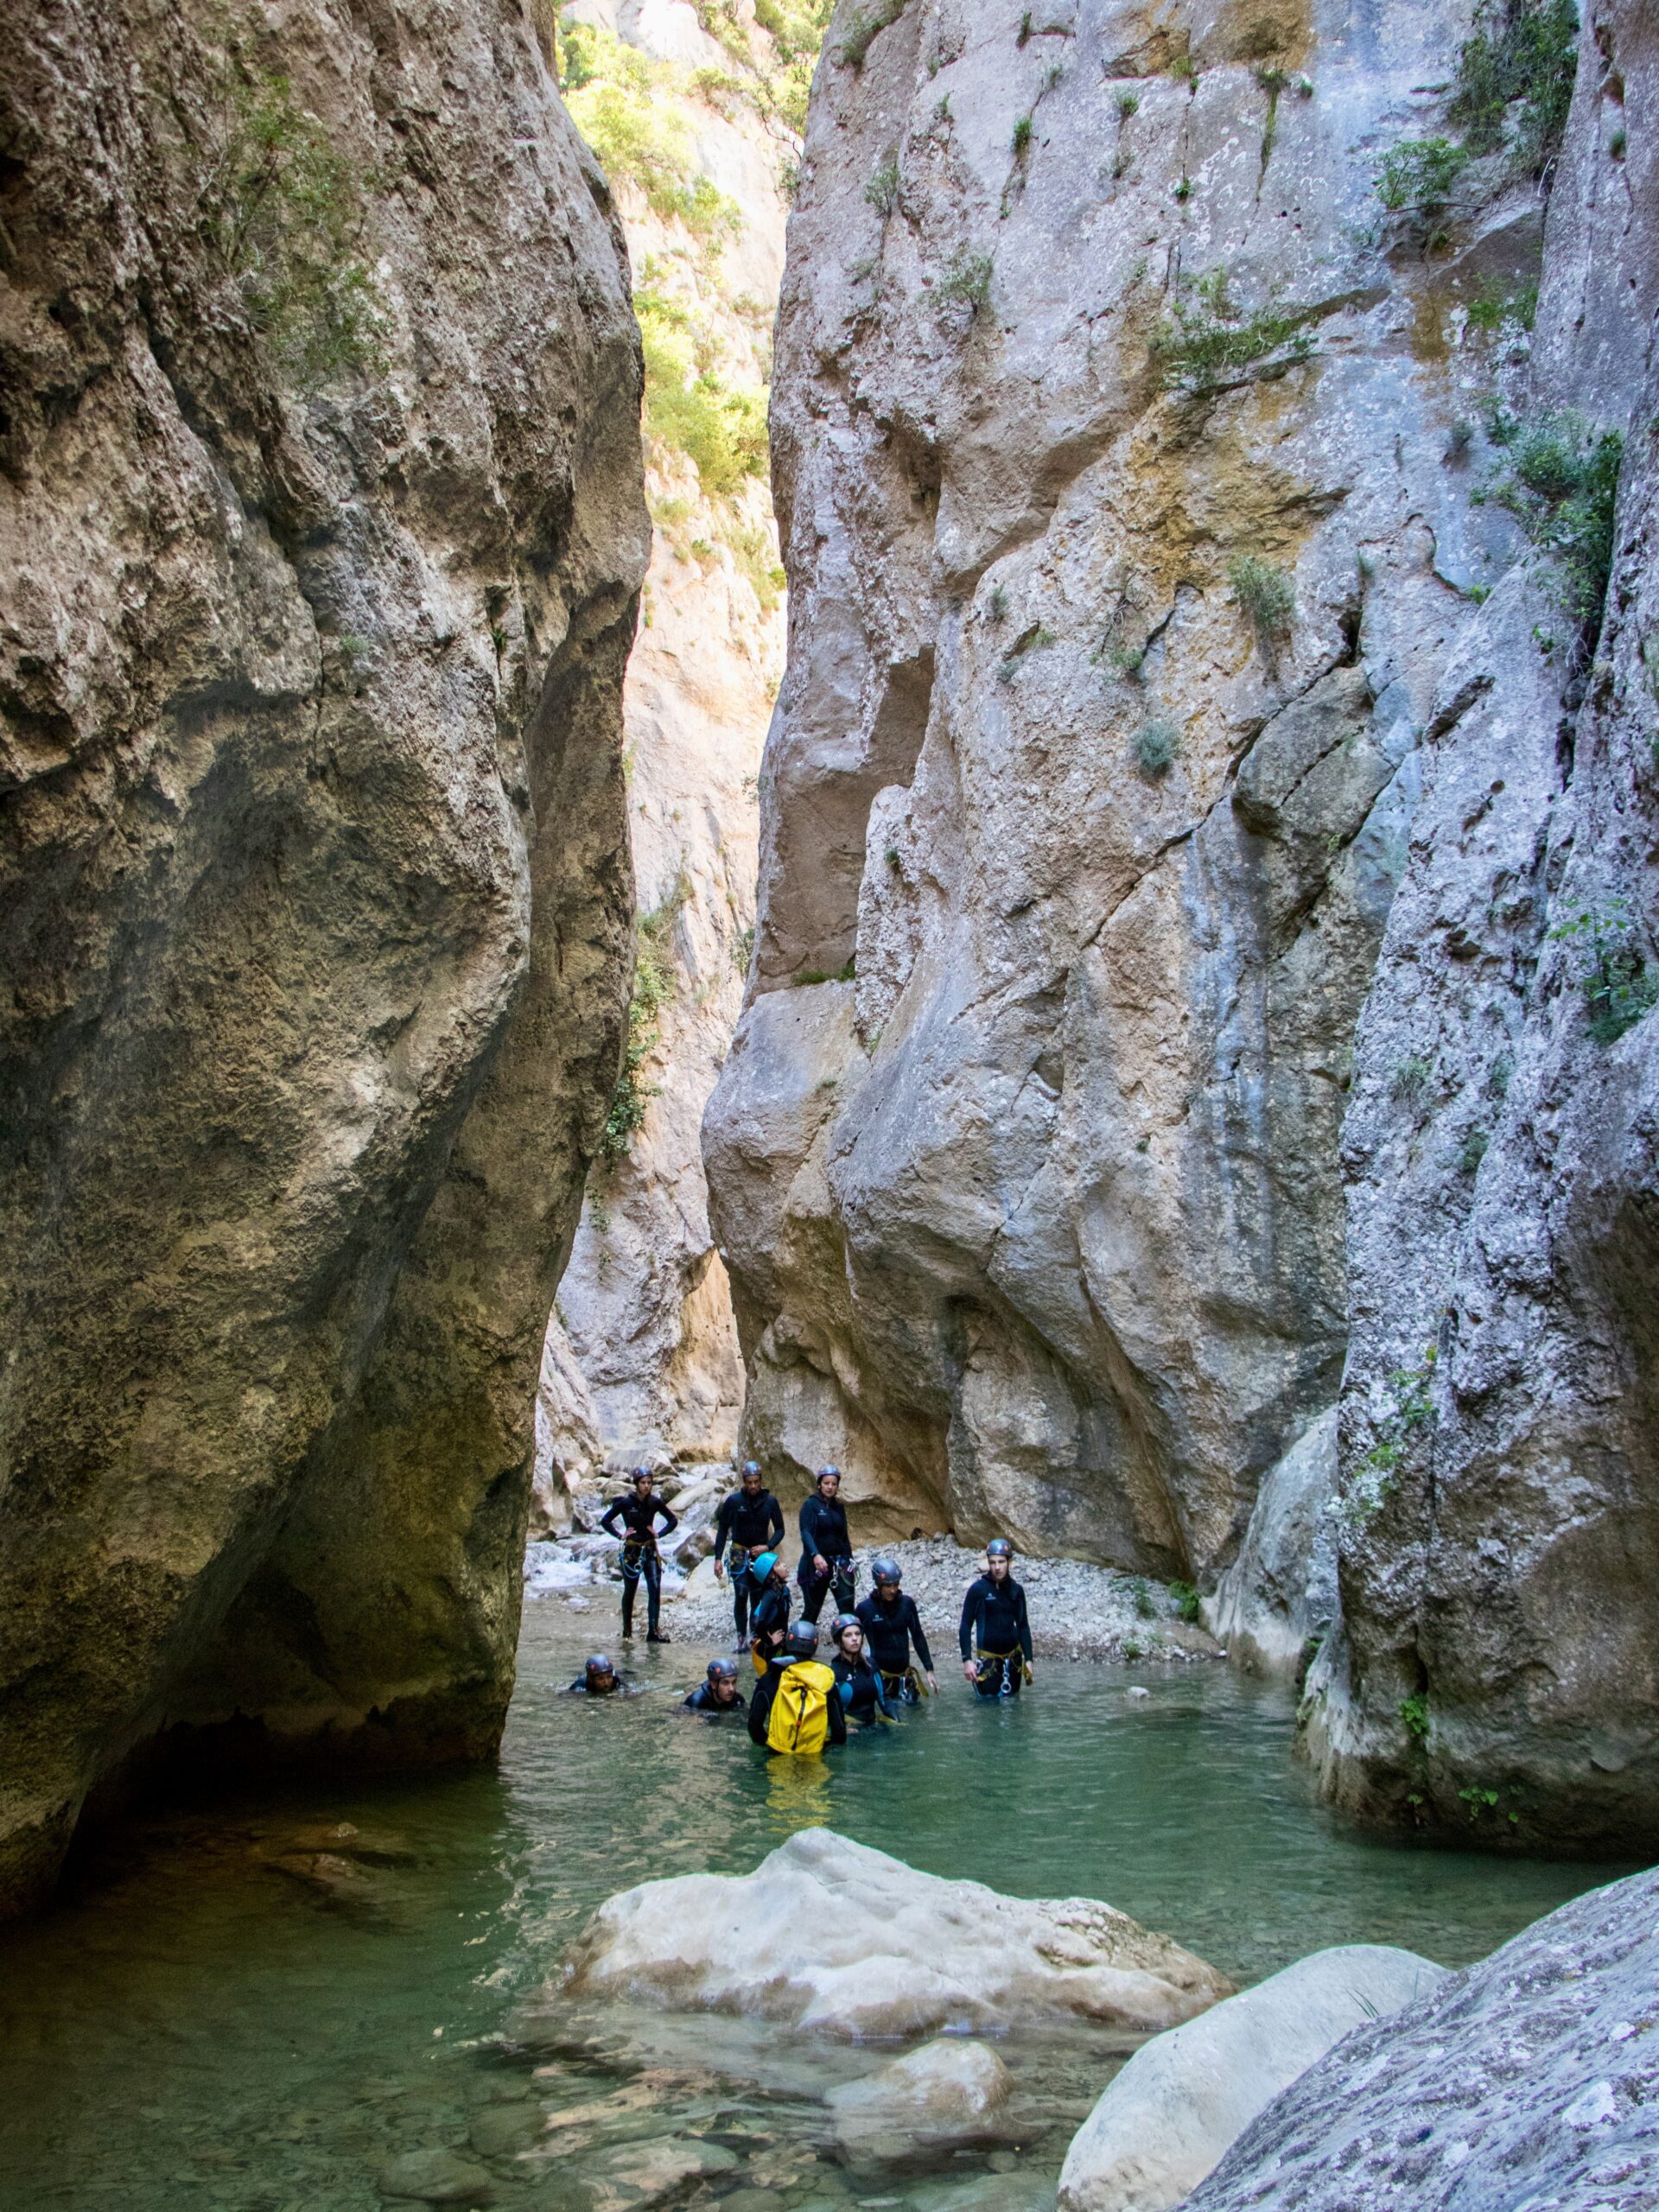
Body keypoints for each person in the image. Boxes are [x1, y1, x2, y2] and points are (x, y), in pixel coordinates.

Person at [600, 1466, 678, 1643]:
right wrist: (620, 1535)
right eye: (643, 1483)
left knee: (655, 1589)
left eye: (649, 1483)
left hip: (650, 1549)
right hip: (632, 1551)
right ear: (636, 1484)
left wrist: (660, 1533)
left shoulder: (655, 1502)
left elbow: (673, 1520)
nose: (647, 1486)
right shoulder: (627, 1502)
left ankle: (653, 1631)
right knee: (630, 1591)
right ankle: (627, 1631)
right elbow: (605, 1520)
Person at [713, 1461, 785, 1648]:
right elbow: (722, 1530)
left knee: (757, 1595)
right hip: (739, 1552)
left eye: (756, 1482)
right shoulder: (734, 1501)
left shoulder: (770, 1502)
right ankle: (740, 1636)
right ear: (744, 1481)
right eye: (749, 1482)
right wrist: (717, 1558)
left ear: (761, 1480)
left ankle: (755, 1634)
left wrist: (768, 1547)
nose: (753, 1486)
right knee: (741, 1593)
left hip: (760, 1556)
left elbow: (780, 1530)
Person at [747, 1624, 846, 1753]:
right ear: (814, 1647)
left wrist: (771, 1744)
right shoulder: (826, 1680)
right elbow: (839, 1734)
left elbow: (754, 1727)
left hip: (778, 1755)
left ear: (788, 1642)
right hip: (814, 1758)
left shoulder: (769, 1678)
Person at [855, 1556, 938, 1702]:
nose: (893, 1590)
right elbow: (853, 1643)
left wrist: (929, 1669)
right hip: (880, 1678)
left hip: (905, 1677)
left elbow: (918, 1636)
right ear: (878, 1584)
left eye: (896, 1584)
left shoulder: (907, 1604)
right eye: (888, 1586)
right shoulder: (865, 1609)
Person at [959, 1538, 1034, 1698]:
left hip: (1013, 1661)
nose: (997, 1567)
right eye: (993, 1562)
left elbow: (1023, 1626)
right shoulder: (978, 1590)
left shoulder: (1016, 1590)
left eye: (1001, 1562)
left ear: (1010, 1562)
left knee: (1014, 1706)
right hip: (988, 1662)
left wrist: (1029, 1659)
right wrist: (967, 1660)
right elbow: (965, 1625)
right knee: (988, 1709)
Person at [798, 1465, 855, 1624]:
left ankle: (848, 1646)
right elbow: (806, 1532)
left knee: (848, 1608)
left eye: (834, 1484)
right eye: (826, 1483)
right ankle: (800, 1646)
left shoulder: (839, 1507)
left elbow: (844, 1537)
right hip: (814, 1566)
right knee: (812, 1611)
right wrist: (815, 1555)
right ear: (819, 1484)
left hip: (838, 1564)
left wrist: (850, 1561)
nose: (830, 1487)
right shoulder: (810, 1505)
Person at [829, 1614, 893, 1726]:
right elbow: (827, 1711)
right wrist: (841, 1730)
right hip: (850, 1732)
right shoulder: (834, 1672)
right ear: (839, 1640)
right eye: (848, 1635)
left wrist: (897, 1723)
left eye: (857, 1634)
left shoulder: (871, 1665)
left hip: (873, 1727)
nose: (855, 1639)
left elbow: (884, 1699)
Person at [746, 1549, 792, 1675]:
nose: (784, 1565)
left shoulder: (782, 1591)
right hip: (771, 1648)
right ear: (771, 1575)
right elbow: (757, 1621)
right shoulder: (770, 1595)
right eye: (778, 1564)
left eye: (780, 1563)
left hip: (782, 1643)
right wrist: (770, 1640)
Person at [683, 1656, 747, 1714]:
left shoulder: (738, 1699)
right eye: (725, 1683)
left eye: (734, 1682)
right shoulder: (696, 1701)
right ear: (713, 1684)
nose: (731, 1689)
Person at [566, 1652, 634, 1695]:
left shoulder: (616, 1679)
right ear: (591, 1679)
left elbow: (634, 1693)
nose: (606, 1683)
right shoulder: (581, 1684)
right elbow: (564, 1696)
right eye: (600, 1679)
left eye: (609, 1677)